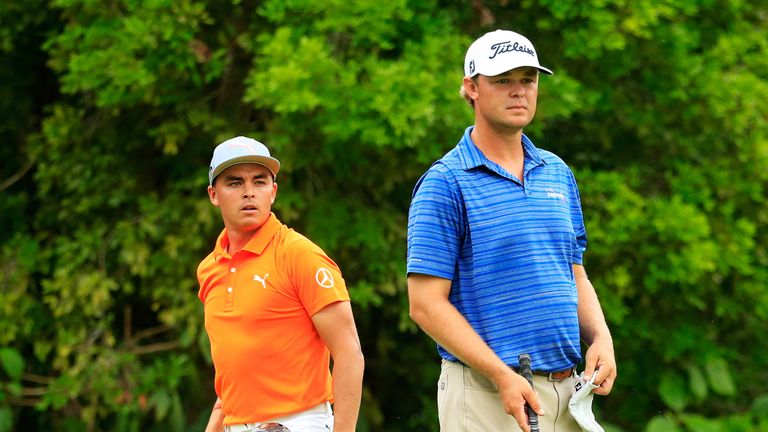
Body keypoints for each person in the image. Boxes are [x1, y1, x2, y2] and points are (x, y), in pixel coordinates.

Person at [406, 29, 617, 432]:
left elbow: (573, 272)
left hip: (567, 393)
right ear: (471, 88)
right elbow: (426, 304)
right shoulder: (445, 182)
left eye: (528, 80)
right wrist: (500, 375)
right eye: (503, 80)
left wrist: (601, 338)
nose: (518, 91)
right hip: (487, 392)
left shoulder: (556, 171)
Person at [198, 136, 364, 432]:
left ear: (273, 192)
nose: (249, 193)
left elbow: (349, 352)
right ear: (213, 194)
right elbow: (233, 375)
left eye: (259, 182)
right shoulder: (209, 269)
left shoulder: (299, 254)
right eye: (235, 183)